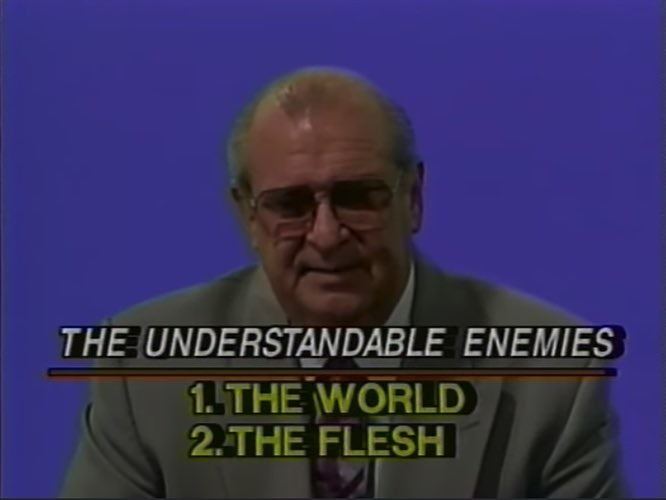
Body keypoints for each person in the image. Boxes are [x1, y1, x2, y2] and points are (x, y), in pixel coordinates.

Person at [61, 67, 625, 498]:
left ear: (413, 199)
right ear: (248, 216)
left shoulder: (554, 378)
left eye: (357, 197)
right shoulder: (144, 371)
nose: (327, 235)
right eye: (291, 205)